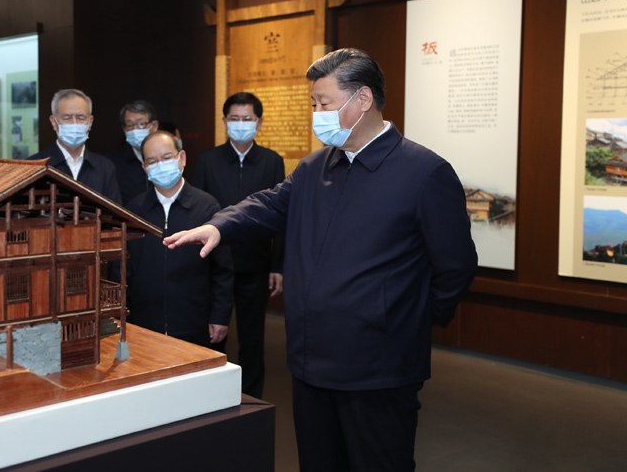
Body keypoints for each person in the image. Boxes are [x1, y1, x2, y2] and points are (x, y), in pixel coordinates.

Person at [165, 48, 478, 471]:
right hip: (311, 362)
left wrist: (406, 319)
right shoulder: (316, 166)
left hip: (379, 369)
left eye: (324, 103)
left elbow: (456, 266)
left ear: (363, 99)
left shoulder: (424, 172)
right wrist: (219, 226)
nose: (316, 114)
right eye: (313, 104)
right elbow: (268, 204)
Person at [192, 91, 285, 399]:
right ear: (224, 121)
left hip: (255, 264)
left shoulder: (272, 161)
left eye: (247, 118)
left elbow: (281, 217)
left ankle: (251, 398)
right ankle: (212, 396)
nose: (241, 123)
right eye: (235, 118)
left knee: (252, 337)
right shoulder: (207, 160)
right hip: (215, 265)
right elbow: (199, 211)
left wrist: (277, 266)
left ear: (259, 123)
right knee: (213, 333)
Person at [122, 130, 233, 349]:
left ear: (182, 157)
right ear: (144, 168)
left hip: (195, 321)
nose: (160, 165)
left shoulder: (207, 207)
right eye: (152, 161)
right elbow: (123, 269)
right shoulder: (133, 211)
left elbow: (222, 270)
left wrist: (220, 316)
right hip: (144, 323)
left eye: (166, 157)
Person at [29, 88, 121, 204]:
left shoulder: (105, 168)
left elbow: (115, 212)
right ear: (54, 122)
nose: (74, 123)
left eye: (81, 117)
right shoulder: (34, 166)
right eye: (67, 118)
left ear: (90, 122)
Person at [108, 100, 159, 204]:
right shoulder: (113, 163)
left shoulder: (169, 157)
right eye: (130, 125)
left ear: (154, 126)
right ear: (124, 130)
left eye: (141, 124)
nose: (135, 130)